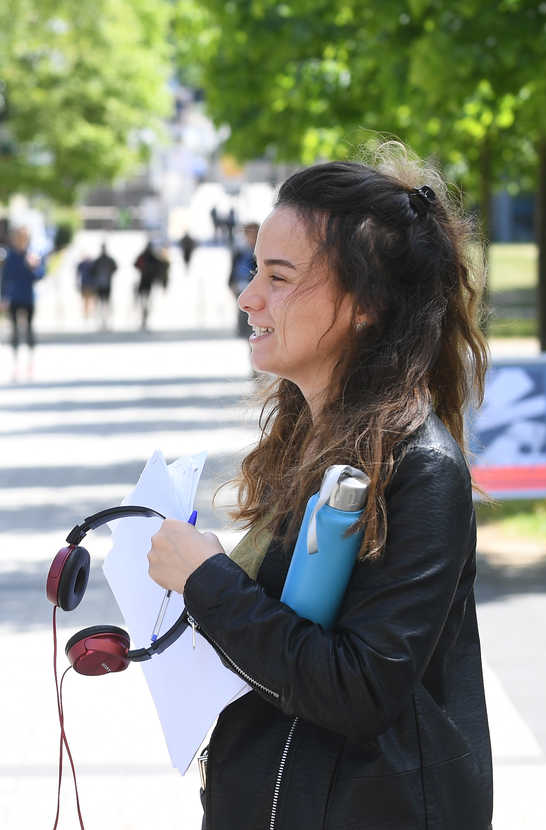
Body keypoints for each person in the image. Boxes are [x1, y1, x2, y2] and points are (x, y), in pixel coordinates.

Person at [145, 145, 492, 828]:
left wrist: (208, 581)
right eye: (253, 272)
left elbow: (361, 687)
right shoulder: (315, 439)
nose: (249, 298)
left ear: (366, 303)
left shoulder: (421, 468)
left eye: (278, 276)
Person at [0, 224, 45, 381]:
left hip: (28, 297)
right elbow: (4, 278)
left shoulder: (32, 255)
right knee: (15, 331)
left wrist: (34, 267)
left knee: (29, 329)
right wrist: (3, 297)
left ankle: (31, 364)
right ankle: (16, 365)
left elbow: (39, 276)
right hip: (14, 298)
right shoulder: (10, 256)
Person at [229, 220, 260, 338]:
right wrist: (231, 284)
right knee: (244, 318)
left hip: (256, 290)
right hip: (241, 287)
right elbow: (233, 269)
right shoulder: (240, 251)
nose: (250, 237)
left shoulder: (262, 250)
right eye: (248, 234)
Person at [132, 238, 170, 332]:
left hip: (145, 282)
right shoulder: (151, 256)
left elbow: (136, 264)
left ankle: (144, 317)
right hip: (147, 282)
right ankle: (144, 317)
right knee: (145, 301)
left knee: (144, 301)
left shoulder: (146, 256)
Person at [91, 241, 118, 331]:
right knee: (101, 304)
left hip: (106, 284)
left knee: (106, 303)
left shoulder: (107, 260)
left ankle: (106, 321)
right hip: (100, 284)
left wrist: (109, 274)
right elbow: (92, 271)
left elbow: (115, 267)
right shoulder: (99, 260)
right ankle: (102, 321)